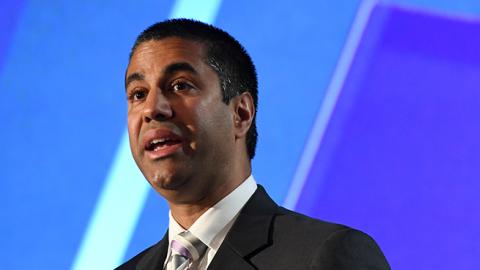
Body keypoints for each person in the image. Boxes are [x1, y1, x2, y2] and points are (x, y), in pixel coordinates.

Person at [116, 18, 390, 270]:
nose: (152, 108)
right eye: (138, 94)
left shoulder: (326, 254)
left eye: (180, 86)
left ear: (241, 114)